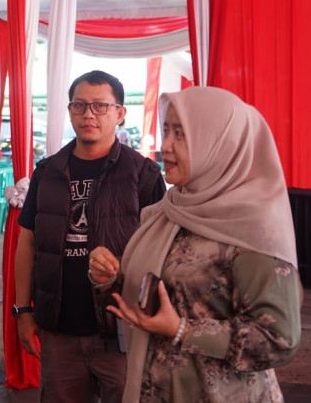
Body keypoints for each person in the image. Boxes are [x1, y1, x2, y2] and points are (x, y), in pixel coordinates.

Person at [89, 86, 302, 402]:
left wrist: (182, 330)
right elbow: (156, 296)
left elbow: (279, 339)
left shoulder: (252, 227)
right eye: (165, 131)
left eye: (181, 134)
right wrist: (109, 279)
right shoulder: (168, 211)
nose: (165, 146)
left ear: (218, 143)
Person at [14, 70, 166, 403]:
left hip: (122, 329)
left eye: (100, 106)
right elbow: (27, 241)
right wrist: (23, 311)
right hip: (60, 328)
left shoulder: (143, 174)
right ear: (69, 110)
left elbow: (164, 254)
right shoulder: (48, 172)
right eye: (80, 105)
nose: (88, 115)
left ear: (120, 113)